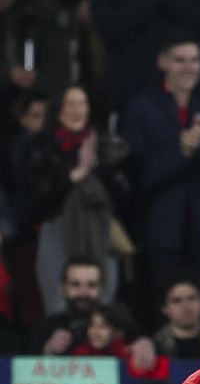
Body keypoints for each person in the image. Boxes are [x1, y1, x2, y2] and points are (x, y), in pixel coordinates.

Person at [120, 34, 200, 313]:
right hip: (162, 229)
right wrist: (182, 154)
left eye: (195, 60)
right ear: (162, 62)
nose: (189, 67)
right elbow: (139, 177)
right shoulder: (142, 107)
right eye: (180, 60)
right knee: (163, 304)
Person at [21, 85, 130, 316]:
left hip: (101, 235)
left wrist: (102, 167)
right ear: (58, 110)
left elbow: (125, 196)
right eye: (70, 104)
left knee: (103, 310)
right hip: (57, 233)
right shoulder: (40, 146)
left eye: (82, 103)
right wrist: (77, 173)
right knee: (59, 308)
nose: (77, 110)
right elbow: (34, 201)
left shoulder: (105, 146)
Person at [36, 259, 156, 370]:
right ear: (63, 287)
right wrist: (48, 351)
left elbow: (141, 338)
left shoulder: (118, 320)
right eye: (75, 284)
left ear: (101, 288)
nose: (83, 292)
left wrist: (145, 343)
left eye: (91, 285)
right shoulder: (48, 326)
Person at [0, 0, 72, 109]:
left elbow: (60, 70)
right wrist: (8, 75)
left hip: (37, 102)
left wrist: (36, 80)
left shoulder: (41, 12)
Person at [152, 279, 200, 360]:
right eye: (176, 301)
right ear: (164, 309)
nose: (186, 306)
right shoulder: (153, 347)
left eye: (191, 298)